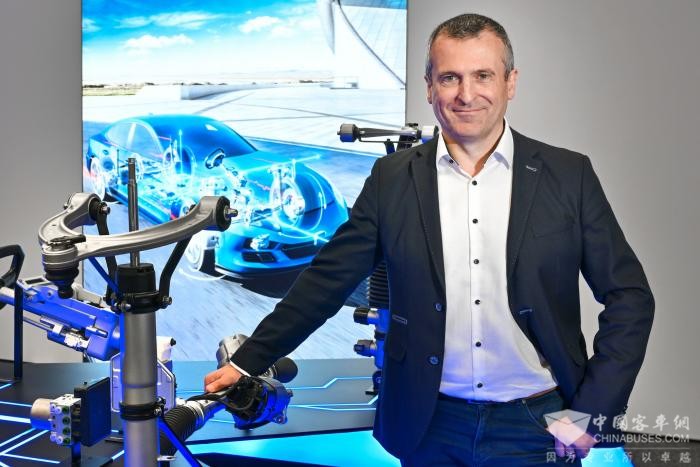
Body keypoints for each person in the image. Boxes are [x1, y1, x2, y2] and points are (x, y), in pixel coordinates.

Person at [204, 13, 654, 466]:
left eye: (483, 76)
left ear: (510, 82)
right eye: (450, 78)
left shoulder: (568, 175)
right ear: (429, 87)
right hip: (429, 424)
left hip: (535, 424)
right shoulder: (392, 179)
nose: (466, 94)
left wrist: (593, 411)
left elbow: (630, 297)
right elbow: (327, 281)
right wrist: (248, 361)